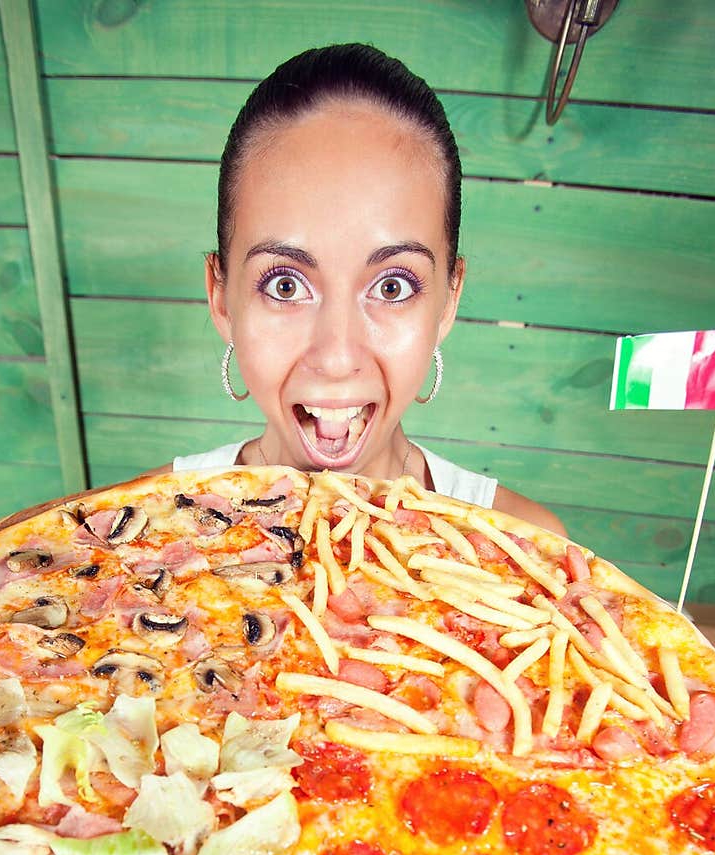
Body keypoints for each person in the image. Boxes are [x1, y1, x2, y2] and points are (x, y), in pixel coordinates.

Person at [173, 43, 565, 536]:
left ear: (448, 300)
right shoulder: (124, 538)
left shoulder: (526, 549)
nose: (337, 358)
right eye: (286, 285)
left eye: (393, 286)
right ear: (221, 298)